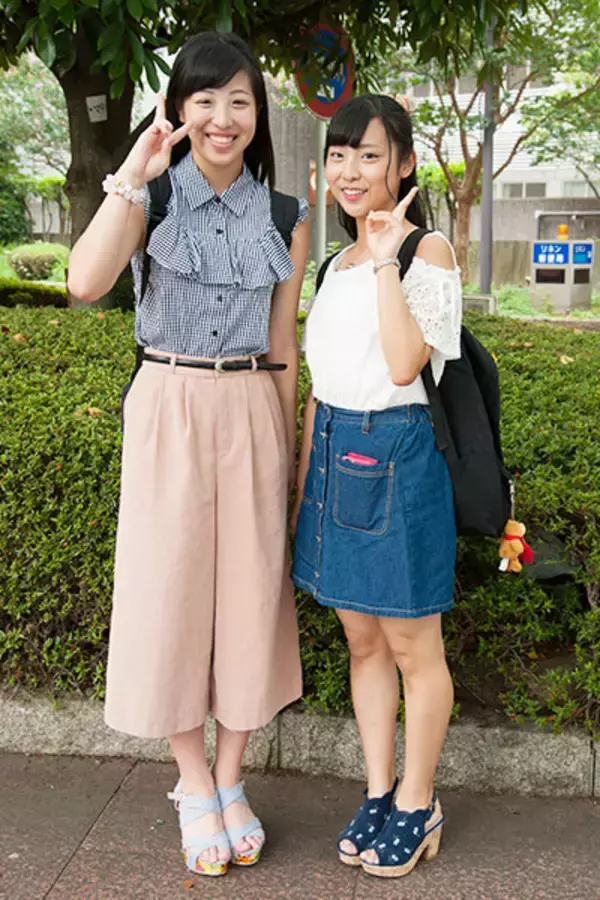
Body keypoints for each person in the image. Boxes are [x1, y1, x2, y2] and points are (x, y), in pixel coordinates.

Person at [68, 32, 309, 878]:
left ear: (258, 114)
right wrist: (131, 174)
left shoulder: (284, 216)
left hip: (250, 403)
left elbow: (283, 346)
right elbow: (84, 281)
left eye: (240, 100)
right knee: (168, 591)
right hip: (167, 401)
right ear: (178, 109)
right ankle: (194, 781)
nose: (222, 117)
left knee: (251, 593)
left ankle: (232, 776)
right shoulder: (153, 198)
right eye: (204, 100)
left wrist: (290, 456)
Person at [291, 94, 461, 879]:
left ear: (405, 163)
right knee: (362, 640)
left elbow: (402, 365)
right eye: (339, 154)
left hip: (398, 457)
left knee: (412, 647)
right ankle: (379, 790)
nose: (350, 171)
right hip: (335, 456)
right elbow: (319, 389)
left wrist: (391, 256)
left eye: (369, 154)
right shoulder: (334, 265)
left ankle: (419, 803)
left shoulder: (429, 253)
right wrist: (304, 485)